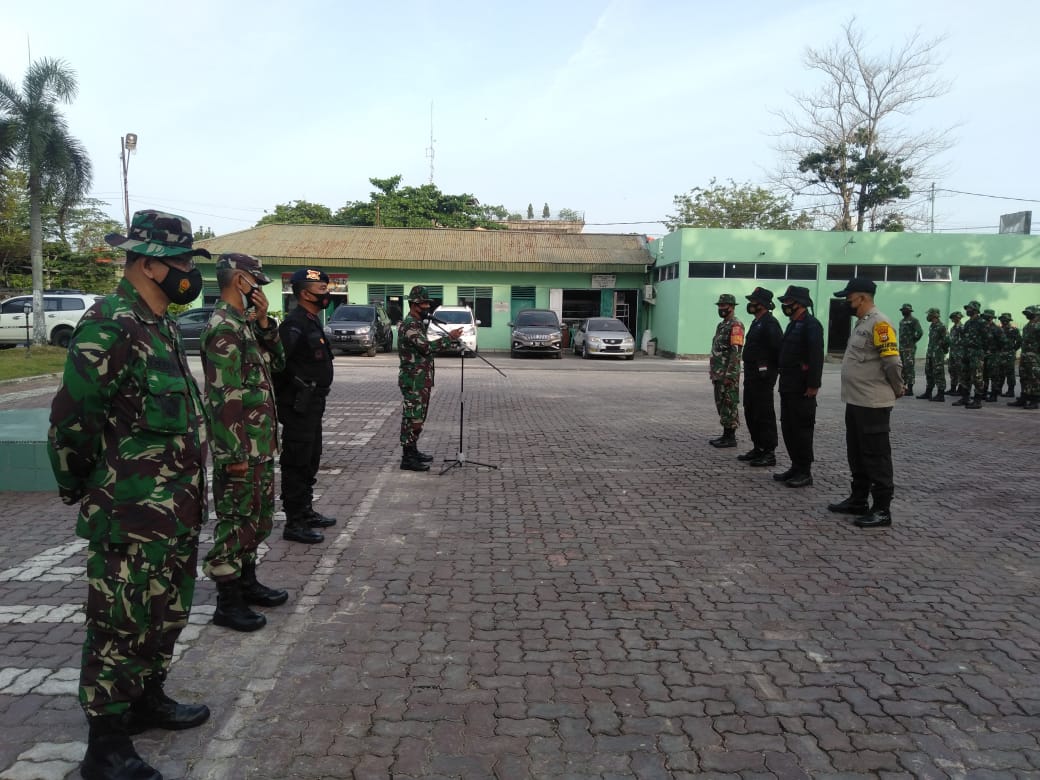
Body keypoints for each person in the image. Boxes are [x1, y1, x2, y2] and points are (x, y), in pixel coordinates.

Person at [47, 210, 211, 780]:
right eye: (182, 262)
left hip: (175, 510)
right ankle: (107, 743)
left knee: (165, 613)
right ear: (147, 263)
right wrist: (81, 487)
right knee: (119, 622)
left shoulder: (159, 322)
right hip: (128, 513)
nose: (190, 272)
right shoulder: (110, 325)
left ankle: (148, 698)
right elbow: (73, 422)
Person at [201, 253, 288, 632]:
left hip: (259, 446)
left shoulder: (246, 325)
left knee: (257, 518)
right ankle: (228, 601)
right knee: (236, 522)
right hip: (240, 449)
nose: (259, 289)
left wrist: (266, 321)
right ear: (239, 280)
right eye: (256, 282)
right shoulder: (223, 327)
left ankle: (248, 582)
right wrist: (232, 453)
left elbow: (279, 363)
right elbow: (224, 396)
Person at [827, 277, 903, 529]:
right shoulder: (863, 323)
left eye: (849, 297)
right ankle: (858, 499)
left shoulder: (880, 323)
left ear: (862, 297)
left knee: (876, 455)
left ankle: (882, 509)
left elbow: (891, 361)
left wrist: (897, 387)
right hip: (856, 400)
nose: (846, 302)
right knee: (857, 453)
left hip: (873, 403)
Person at [274, 268, 336, 543]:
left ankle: (306, 511)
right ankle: (294, 522)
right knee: (296, 462)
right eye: (321, 290)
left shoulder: (311, 321)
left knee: (311, 460)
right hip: (299, 405)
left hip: (313, 404)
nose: (327, 294)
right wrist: (291, 395)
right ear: (304, 293)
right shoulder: (294, 324)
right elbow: (277, 365)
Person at [398, 285, 462, 470]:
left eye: (428, 303)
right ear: (413, 305)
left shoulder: (417, 324)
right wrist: (449, 338)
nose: (427, 307)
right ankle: (407, 458)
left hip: (421, 380)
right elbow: (425, 347)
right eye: (423, 303)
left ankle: (413, 450)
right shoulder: (410, 325)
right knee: (412, 417)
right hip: (413, 380)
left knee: (418, 417)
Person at [773, 285, 823, 489]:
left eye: (788, 302)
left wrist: (813, 384)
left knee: (802, 429)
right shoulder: (793, 324)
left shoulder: (811, 325)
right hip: (788, 384)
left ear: (800, 304)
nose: (785, 306)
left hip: (802, 387)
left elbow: (816, 356)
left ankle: (804, 471)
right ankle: (795, 466)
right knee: (788, 427)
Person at [737, 286, 782, 467]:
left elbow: (777, 351)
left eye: (753, 302)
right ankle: (758, 447)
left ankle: (769, 452)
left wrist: (769, 373)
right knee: (751, 411)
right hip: (751, 375)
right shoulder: (758, 322)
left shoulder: (770, 324)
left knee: (764, 414)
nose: (750, 305)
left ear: (762, 305)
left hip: (763, 378)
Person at [707, 293, 745, 449]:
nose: (721, 308)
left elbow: (736, 352)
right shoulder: (722, 325)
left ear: (732, 307)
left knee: (729, 403)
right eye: (719, 306)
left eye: (724, 306)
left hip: (728, 374)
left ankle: (730, 437)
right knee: (721, 403)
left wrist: (730, 374)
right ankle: (725, 434)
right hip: (718, 373)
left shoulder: (736, 326)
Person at [953, 301, 987, 409]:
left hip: (976, 354)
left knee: (977, 377)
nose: (967, 310)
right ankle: (965, 398)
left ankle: (977, 400)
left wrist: (981, 349)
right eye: (967, 308)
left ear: (976, 310)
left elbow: (988, 338)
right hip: (966, 353)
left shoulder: (982, 322)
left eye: (970, 308)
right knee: (965, 376)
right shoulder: (968, 323)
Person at [1009, 304, 1039, 410]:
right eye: (1026, 313)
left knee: (1034, 378)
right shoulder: (1027, 325)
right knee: (1024, 378)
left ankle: (1035, 400)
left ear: (1036, 313)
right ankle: (1024, 397)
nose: (1027, 315)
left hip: (1035, 357)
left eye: (1029, 313)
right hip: (1025, 356)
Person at [916, 307, 949, 401]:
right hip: (930, 353)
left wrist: (942, 350)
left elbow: (947, 340)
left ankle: (940, 394)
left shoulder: (941, 326)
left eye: (929, 314)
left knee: (939, 373)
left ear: (934, 315)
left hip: (937, 354)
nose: (928, 316)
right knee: (929, 372)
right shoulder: (932, 326)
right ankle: (928, 392)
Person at [980, 308, 1007, 402]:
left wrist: (996, 351)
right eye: (984, 316)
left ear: (991, 318)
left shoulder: (996, 329)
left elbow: (1004, 342)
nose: (985, 318)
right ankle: (983, 393)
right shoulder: (982, 328)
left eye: (987, 317)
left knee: (994, 376)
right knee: (984, 375)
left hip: (994, 355)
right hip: (983, 355)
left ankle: (994, 395)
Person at [897, 303, 923, 398]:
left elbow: (920, 332)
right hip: (902, 348)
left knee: (909, 368)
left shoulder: (914, 321)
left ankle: (910, 389)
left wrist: (913, 341)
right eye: (902, 310)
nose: (903, 312)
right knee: (902, 368)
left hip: (909, 348)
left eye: (905, 310)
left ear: (909, 311)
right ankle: (903, 387)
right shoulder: (902, 321)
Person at [997, 312, 1021, 398]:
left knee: (1010, 373)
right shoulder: (998, 329)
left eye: (1005, 320)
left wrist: (1013, 349)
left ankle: (1011, 391)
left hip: (1009, 354)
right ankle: (998, 390)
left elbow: (1019, 342)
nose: (1004, 321)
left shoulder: (1014, 330)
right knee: (999, 373)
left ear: (1009, 320)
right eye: (1002, 320)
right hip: (999, 354)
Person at [947, 311, 964, 399]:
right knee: (952, 369)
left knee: (960, 370)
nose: (953, 319)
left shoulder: (962, 327)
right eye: (952, 318)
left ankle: (960, 389)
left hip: (959, 353)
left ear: (959, 318)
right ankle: (953, 388)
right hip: (953, 352)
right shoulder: (953, 328)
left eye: (955, 317)